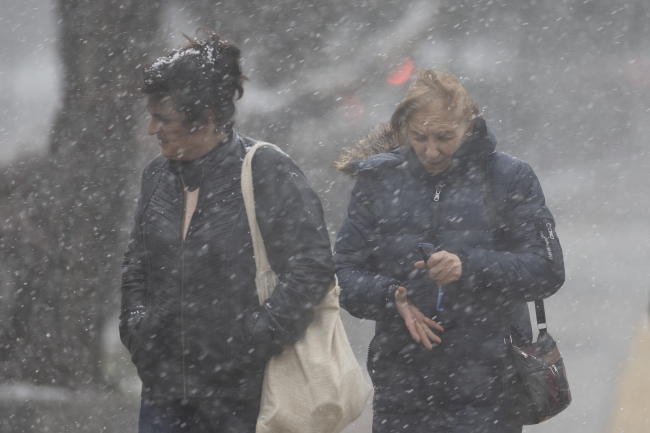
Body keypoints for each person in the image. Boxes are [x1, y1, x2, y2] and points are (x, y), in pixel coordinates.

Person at [119, 31, 335, 433]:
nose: (152, 129)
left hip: (242, 400)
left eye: (162, 118)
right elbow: (137, 264)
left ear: (205, 118)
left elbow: (312, 266)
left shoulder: (266, 170)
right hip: (163, 395)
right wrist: (137, 328)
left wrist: (252, 340)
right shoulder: (156, 177)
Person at [334, 69, 565, 433]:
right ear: (404, 129)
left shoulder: (509, 177)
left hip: (491, 390)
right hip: (402, 391)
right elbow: (343, 273)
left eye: (444, 136)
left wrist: (469, 266)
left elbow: (546, 269)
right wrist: (391, 296)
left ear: (469, 125)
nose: (431, 150)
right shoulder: (377, 181)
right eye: (418, 137)